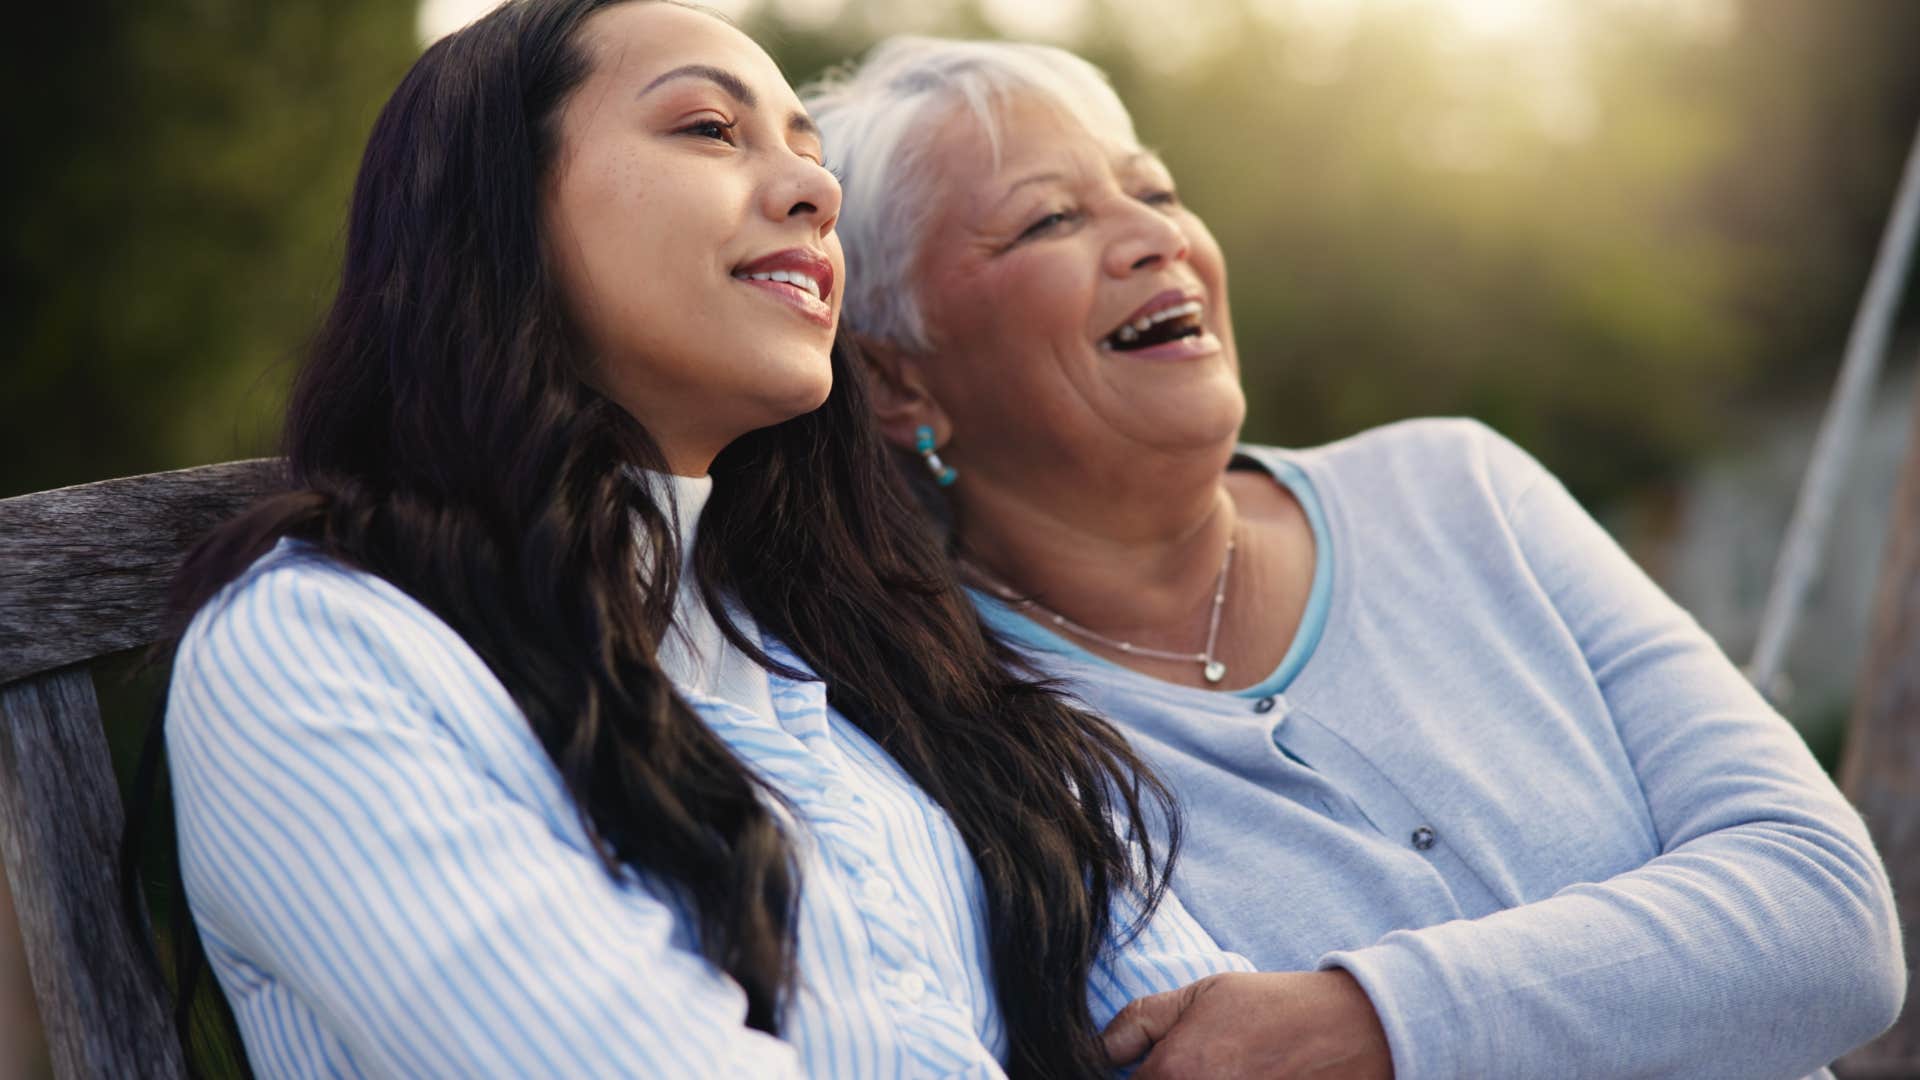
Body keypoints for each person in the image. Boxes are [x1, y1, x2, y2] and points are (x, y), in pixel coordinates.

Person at [158, 4, 1253, 1076]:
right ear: (495, 208)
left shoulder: (875, 654)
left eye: (809, 152)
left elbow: (1216, 1040)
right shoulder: (319, 651)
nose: (816, 192)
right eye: (709, 130)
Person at [806, 35, 1905, 1080]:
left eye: (1155, 190)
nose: (1156, 239)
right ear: (899, 383)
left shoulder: (1459, 489)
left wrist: (1368, 1025)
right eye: (1048, 220)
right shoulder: (926, 733)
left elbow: (1834, 919)